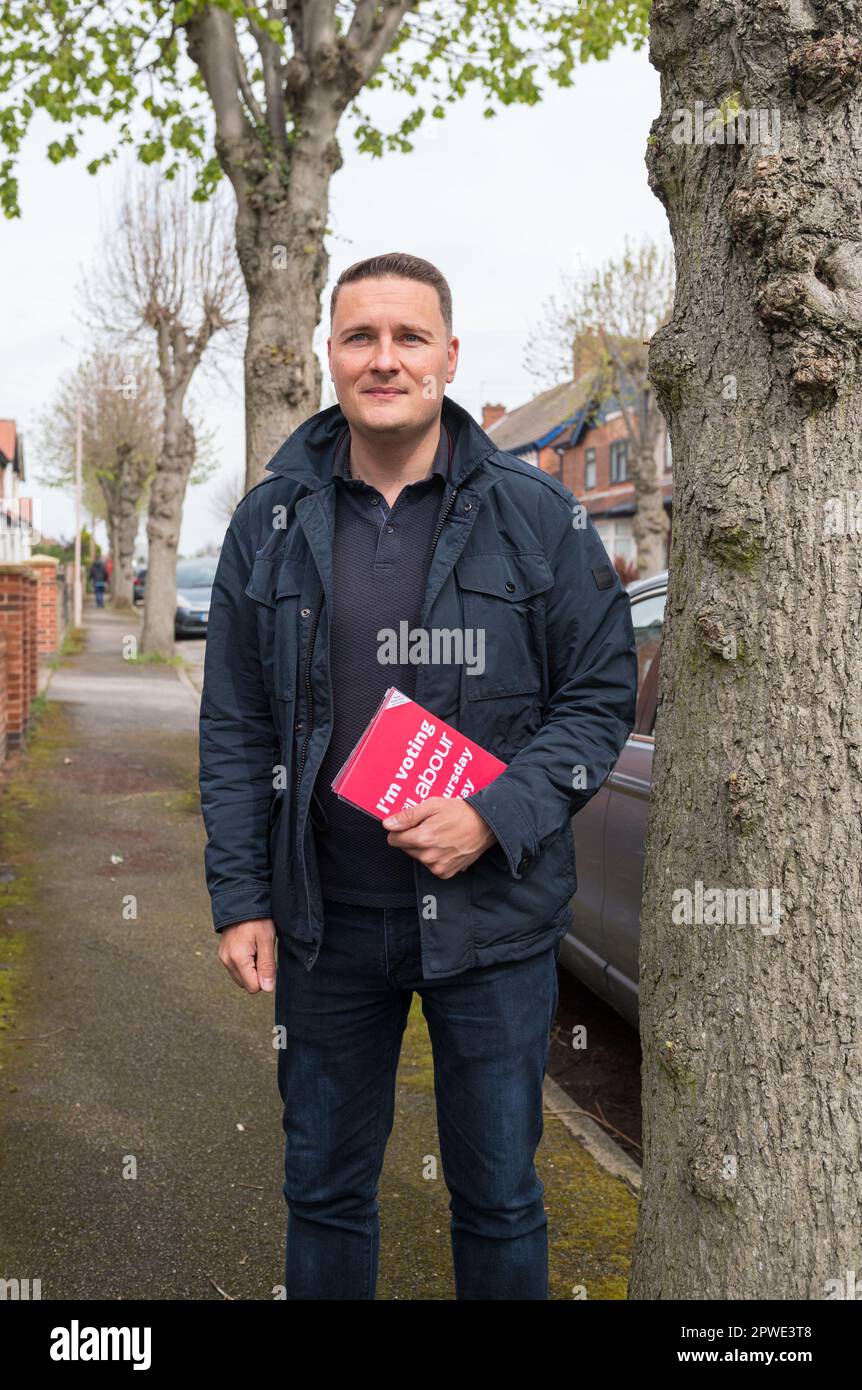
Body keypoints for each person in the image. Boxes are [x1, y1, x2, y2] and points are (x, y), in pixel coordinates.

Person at [199, 251, 638, 1301]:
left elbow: (598, 692)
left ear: (446, 353)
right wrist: (241, 897)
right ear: (331, 357)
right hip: (324, 925)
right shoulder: (268, 524)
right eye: (360, 337)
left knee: (496, 1195)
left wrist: (494, 814)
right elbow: (234, 723)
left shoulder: (538, 516)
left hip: (492, 929)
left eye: (406, 337)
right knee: (324, 1188)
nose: (383, 358)